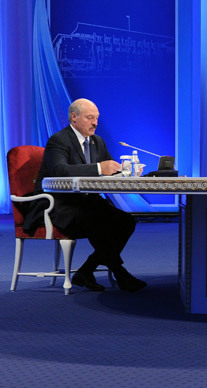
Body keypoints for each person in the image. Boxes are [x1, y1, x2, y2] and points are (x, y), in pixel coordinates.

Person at [30, 98, 147, 292]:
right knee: (100, 221)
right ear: (74, 117)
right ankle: (117, 272)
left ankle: (86, 270)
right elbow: (59, 170)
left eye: (97, 118)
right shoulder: (59, 140)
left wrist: (126, 172)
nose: (95, 123)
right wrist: (99, 167)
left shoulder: (97, 142)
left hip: (87, 203)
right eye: (90, 118)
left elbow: (109, 169)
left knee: (126, 221)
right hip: (59, 205)